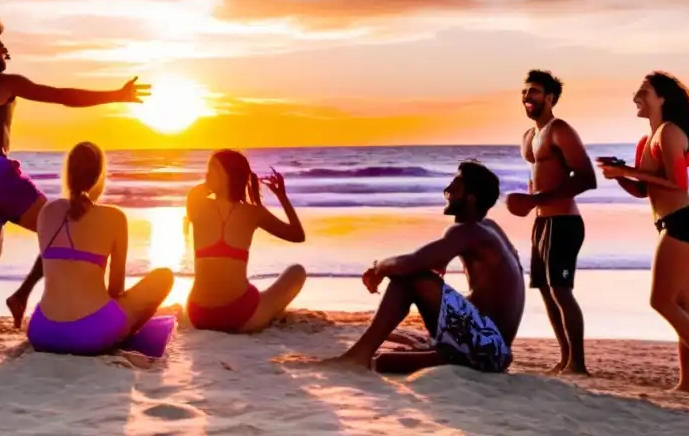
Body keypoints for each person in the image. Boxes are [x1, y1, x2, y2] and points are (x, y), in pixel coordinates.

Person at [0, 18, 151, 328]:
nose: (6, 52)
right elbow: (60, 95)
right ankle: (27, 296)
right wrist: (116, 95)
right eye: (0, 46)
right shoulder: (3, 83)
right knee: (59, 227)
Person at [597, 72, 689, 401]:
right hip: (670, 224)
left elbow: (678, 185)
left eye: (643, 91)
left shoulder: (669, 133)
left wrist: (626, 170)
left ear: (661, 99)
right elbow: (645, 190)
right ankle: (688, 383)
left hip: (683, 223)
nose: (636, 96)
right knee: (684, 305)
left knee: (660, 301)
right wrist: (618, 175)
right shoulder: (646, 141)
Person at [327, 161, 524, 375]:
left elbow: (411, 263)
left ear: (470, 198)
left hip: (487, 349)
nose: (446, 191)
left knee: (409, 276)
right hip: (494, 349)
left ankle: (359, 355)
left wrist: (379, 267)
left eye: (455, 186)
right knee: (385, 361)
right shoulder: (489, 229)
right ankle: (432, 352)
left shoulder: (468, 232)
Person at [27, 142, 174, 355]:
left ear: (68, 174)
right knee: (164, 277)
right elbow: (115, 290)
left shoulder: (47, 211)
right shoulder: (114, 218)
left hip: (42, 331)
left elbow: (55, 270)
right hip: (89, 333)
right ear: (99, 177)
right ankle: (125, 336)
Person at [505, 69, 595, 375]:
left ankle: (578, 363)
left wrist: (535, 201)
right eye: (525, 92)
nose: (527, 98)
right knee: (545, 289)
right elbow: (541, 178)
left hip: (565, 222)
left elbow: (586, 177)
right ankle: (566, 357)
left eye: (534, 92)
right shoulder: (530, 137)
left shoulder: (561, 130)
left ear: (550, 98)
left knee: (560, 289)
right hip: (542, 223)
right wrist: (529, 200)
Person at [185, 150, 307, 333]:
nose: (207, 174)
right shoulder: (253, 213)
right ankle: (266, 314)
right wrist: (282, 197)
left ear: (230, 175)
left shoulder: (196, 202)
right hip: (238, 317)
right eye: (208, 167)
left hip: (199, 315)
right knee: (297, 272)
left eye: (214, 168)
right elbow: (297, 235)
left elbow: (297, 236)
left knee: (254, 290)